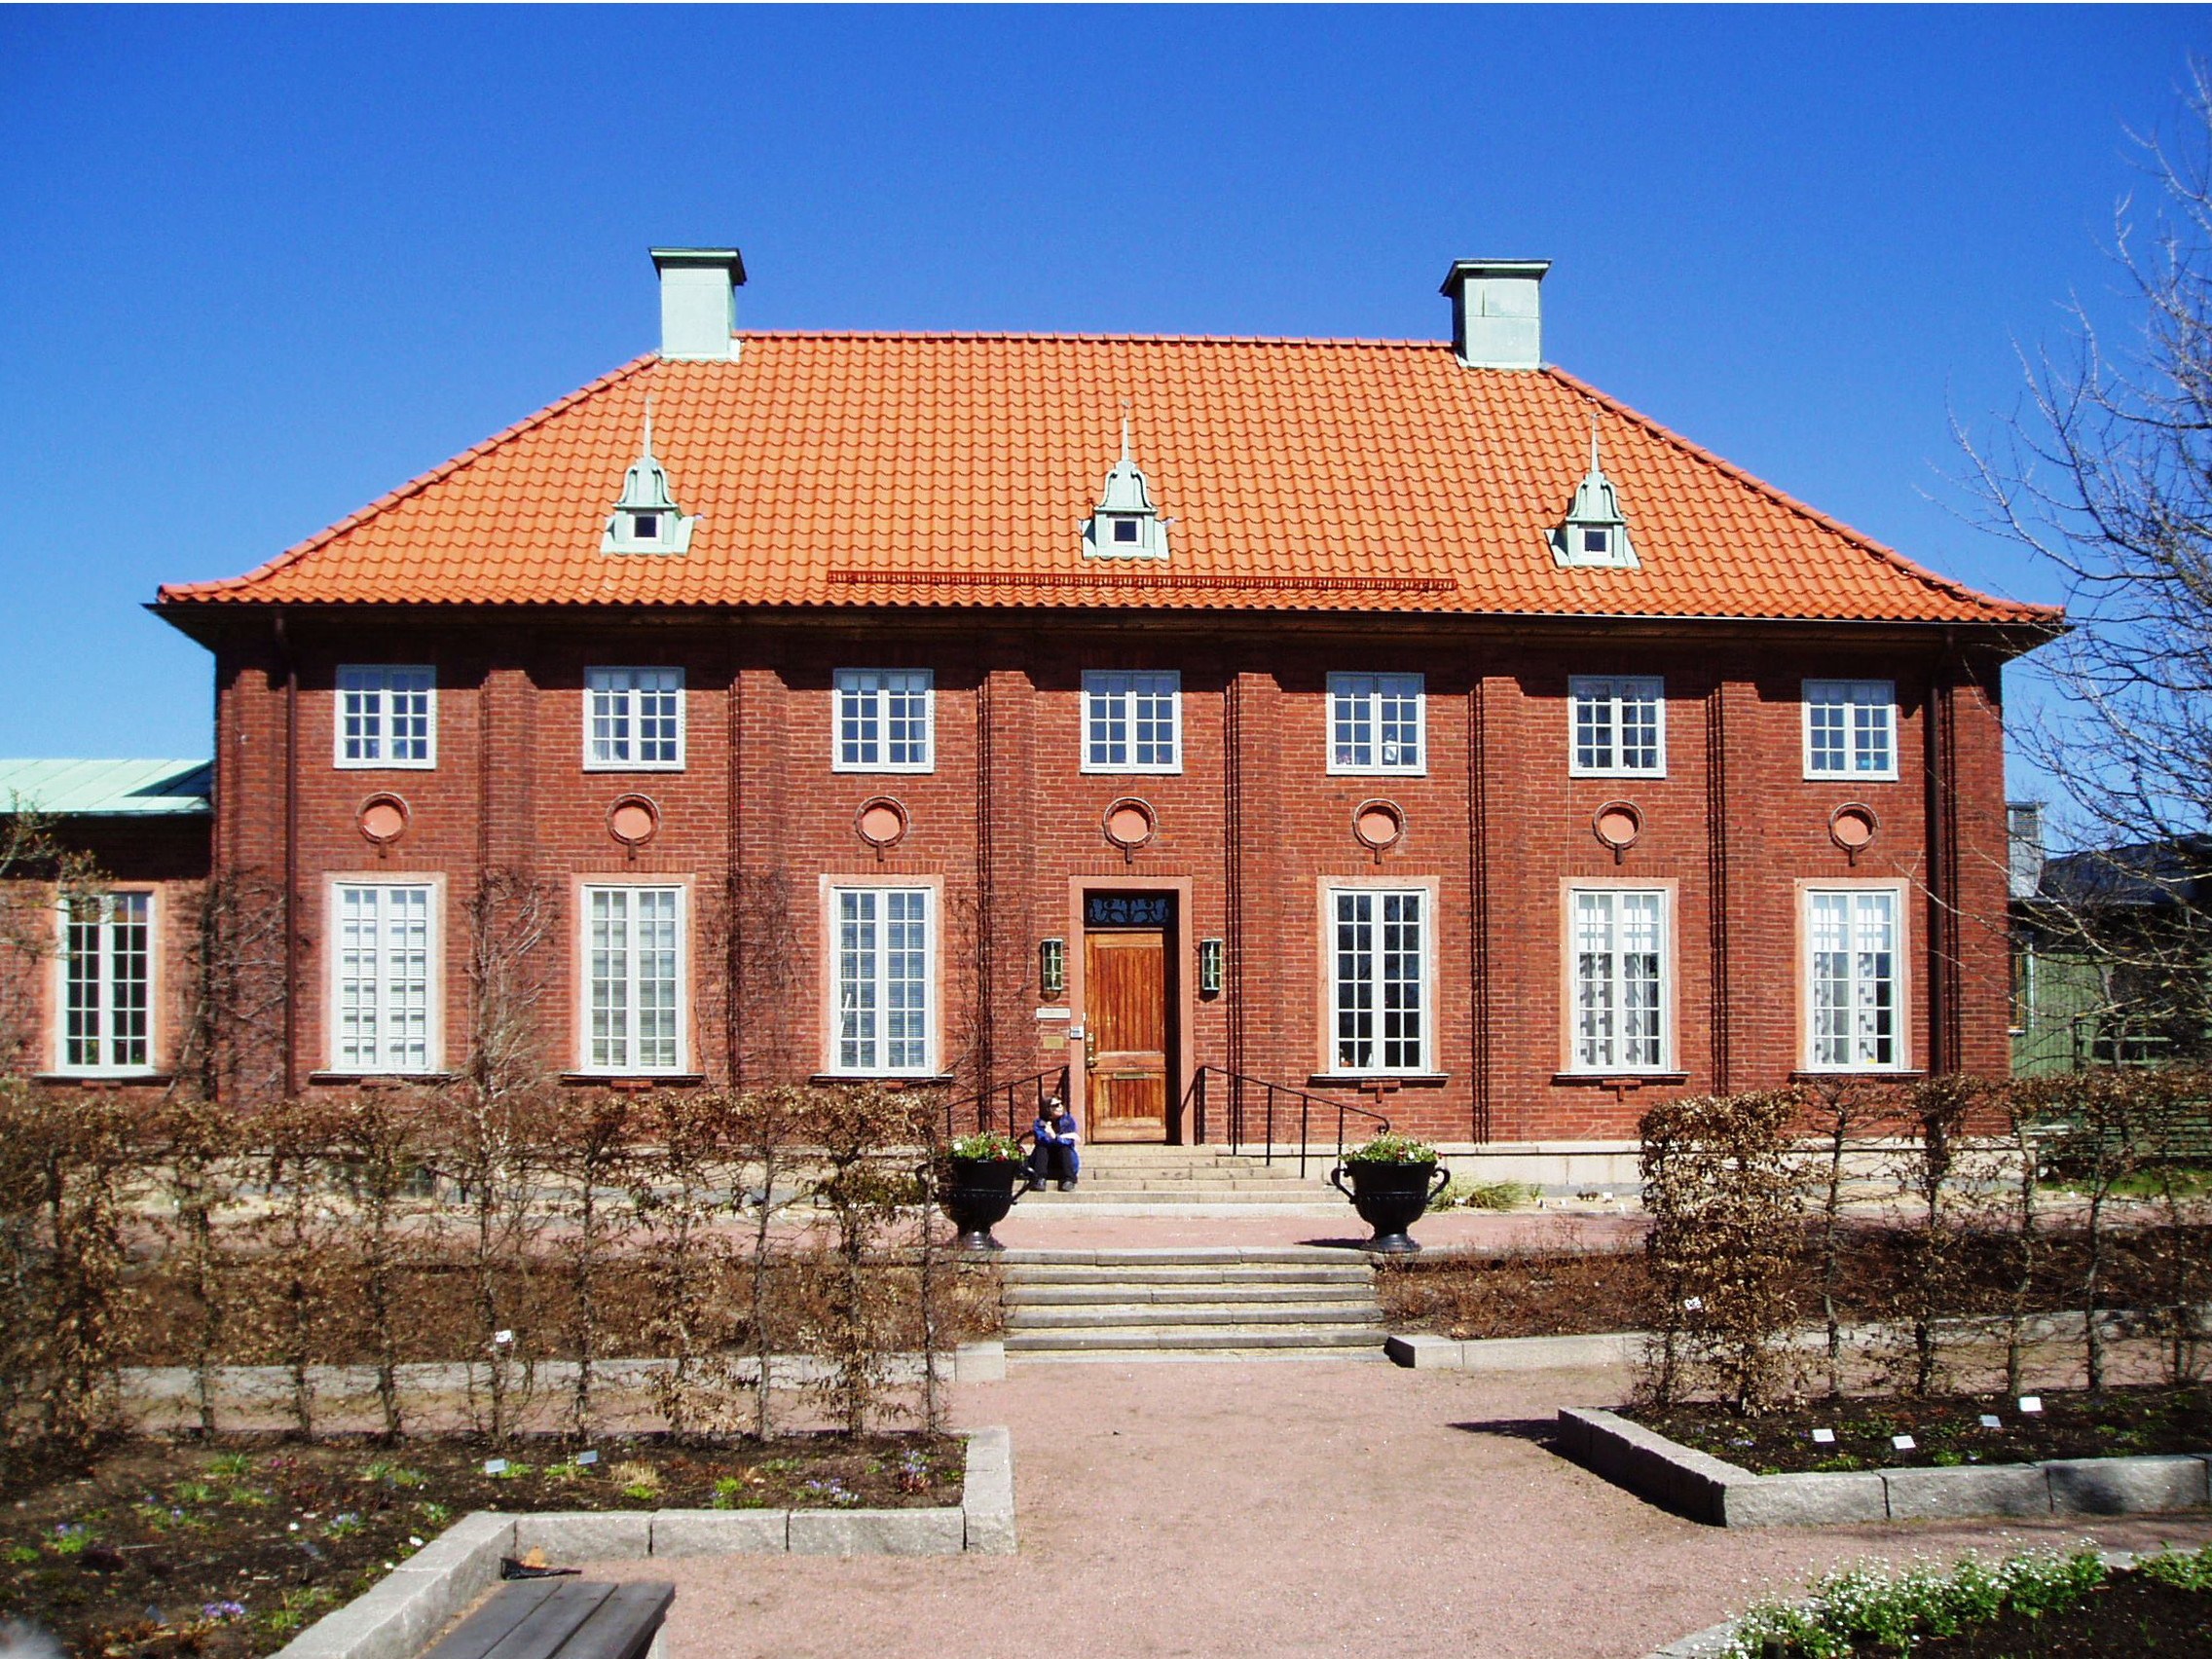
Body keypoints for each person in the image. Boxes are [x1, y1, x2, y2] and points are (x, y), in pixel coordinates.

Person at [1025, 1098, 1080, 1192]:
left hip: (1063, 1162)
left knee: (1064, 1147)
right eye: (1056, 1105)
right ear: (1048, 1109)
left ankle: (1069, 1179)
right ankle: (1040, 1179)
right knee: (1042, 1147)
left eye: (1061, 1104)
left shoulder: (1069, 1121)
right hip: (1045, 1162)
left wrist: (1055, 1137)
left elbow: (1069, 1141)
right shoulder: (1039, 1123)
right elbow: (1042, 1139)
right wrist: (1059, 1138)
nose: (1060, 1107)